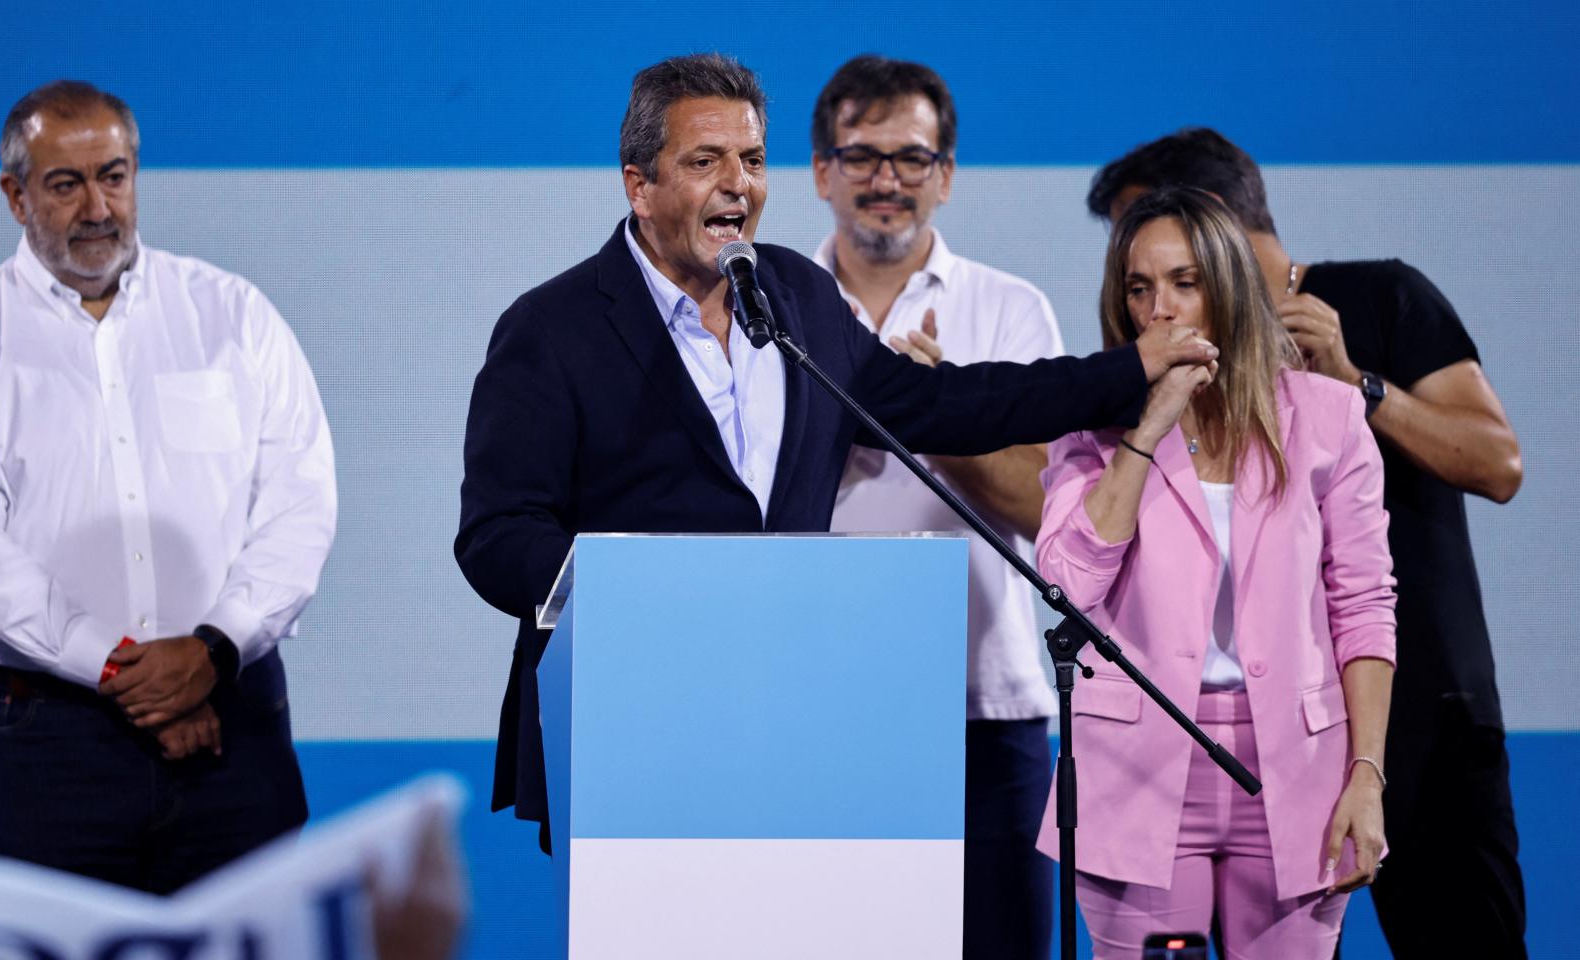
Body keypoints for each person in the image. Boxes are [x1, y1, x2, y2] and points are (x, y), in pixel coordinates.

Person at [453, 53, 1217, 853]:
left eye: (751, 160)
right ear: (639, 185)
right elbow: (498, 538)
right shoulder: (551, 328)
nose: (737, 185)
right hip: (629, 722)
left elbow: (951, 403)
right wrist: (646, 596)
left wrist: (1127, 370)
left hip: (794, 716)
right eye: (704, 161)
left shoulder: (797, 299)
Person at [1087, 128, 1527, 959]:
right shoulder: (1148, 380)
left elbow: (1499, 461)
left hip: (1421, 699)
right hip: (1254, 726)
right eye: (1135, 270)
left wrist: (1357, 384)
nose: (1151, 289)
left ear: (1209, 222)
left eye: (1164, 250)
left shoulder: (1383, 296)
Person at [0, 81, 336, 894]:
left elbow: (299, 507)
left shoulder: (234, 316)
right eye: (66, 184)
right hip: (46, 740)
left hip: (233, 718)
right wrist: (129, 670)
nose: (98, 207)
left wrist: (211, 650)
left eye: (115, 175)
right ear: (14, 196)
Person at [1034, 187, 1395, 958]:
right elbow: (1068, 582)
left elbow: (1363, 605)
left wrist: (1367, 773)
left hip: (1299, 774)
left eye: (1184, 282)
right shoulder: (1094, 423)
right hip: (1139, 775)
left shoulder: (1329, 418)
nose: (1160, 308)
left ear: (1227, 288)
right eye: (1140, 287)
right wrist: (1150, 423)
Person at [809, 54, 1060, 959]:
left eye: (911, 159)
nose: (887, 181)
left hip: (986, 713)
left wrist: (938, 413)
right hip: (813, 712)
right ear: (822, 172)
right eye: (863, 156)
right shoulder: (765, 312)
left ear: (946, 176)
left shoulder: (1010, 311)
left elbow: (1051, 510)